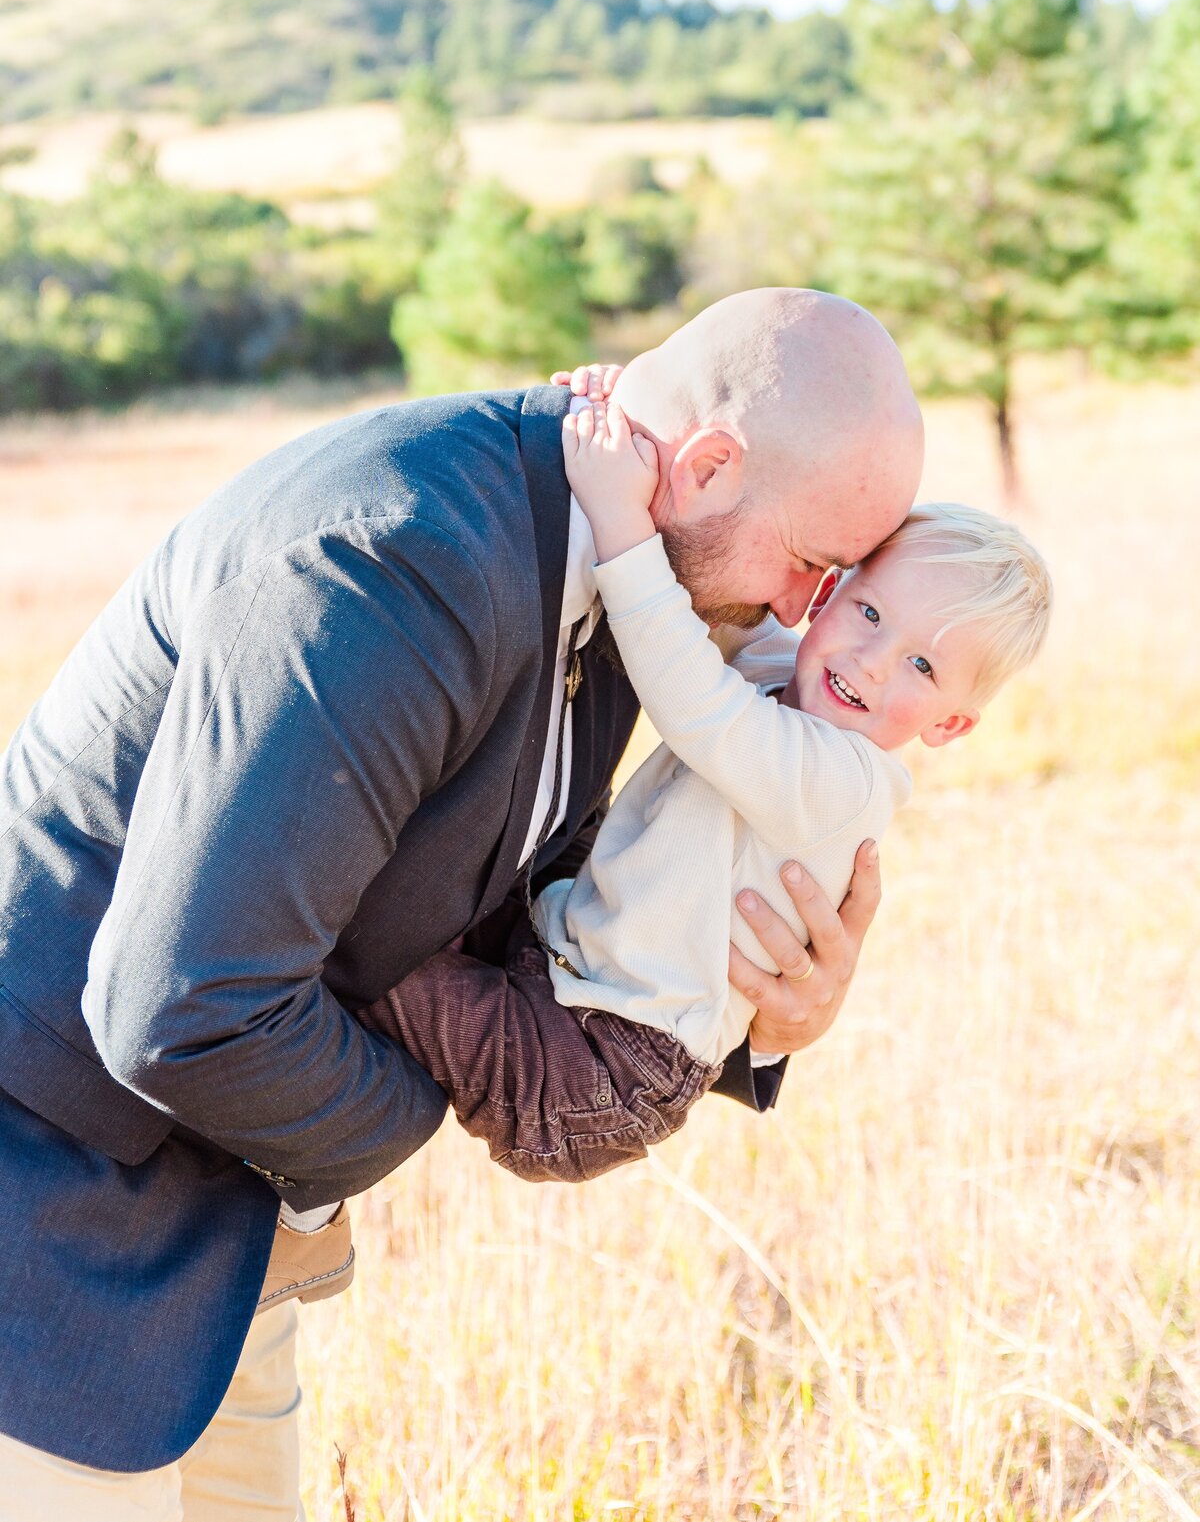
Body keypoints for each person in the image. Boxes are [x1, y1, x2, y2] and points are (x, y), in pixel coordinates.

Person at [0, 287, 922, 1517]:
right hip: (49, 1217)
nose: (809, 621)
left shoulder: (603, 559)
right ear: (704, 467)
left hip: (220, 1241)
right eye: (814, 567)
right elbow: (186, 1005)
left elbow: (520, 895)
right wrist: (419, 1107)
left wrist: (753, 1013)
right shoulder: (404, 555)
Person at [289, 402, 1049, 1201]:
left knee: (368, 964)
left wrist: (617, 513)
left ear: (952, 724)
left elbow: (691, 694)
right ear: (827, 595)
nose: (871, 660)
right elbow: (708, 607)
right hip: (563, 962)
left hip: (603, 1062)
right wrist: (637, 418)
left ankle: (302, 1197)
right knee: (423, 879)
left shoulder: (843, 776)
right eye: (869, 611)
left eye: (923, 668)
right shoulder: (799, 675)